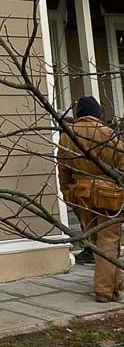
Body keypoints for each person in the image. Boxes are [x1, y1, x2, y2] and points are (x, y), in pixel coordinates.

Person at [57, 95, 124, 301]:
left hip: (81, 194)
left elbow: (63, 171)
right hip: (108, 195)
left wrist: (68, 194)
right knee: (109, 241)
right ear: (97, 112)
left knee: (95, 240)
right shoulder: (107, 134)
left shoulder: (67, 136)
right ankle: (104, 289)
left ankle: (116, 281)